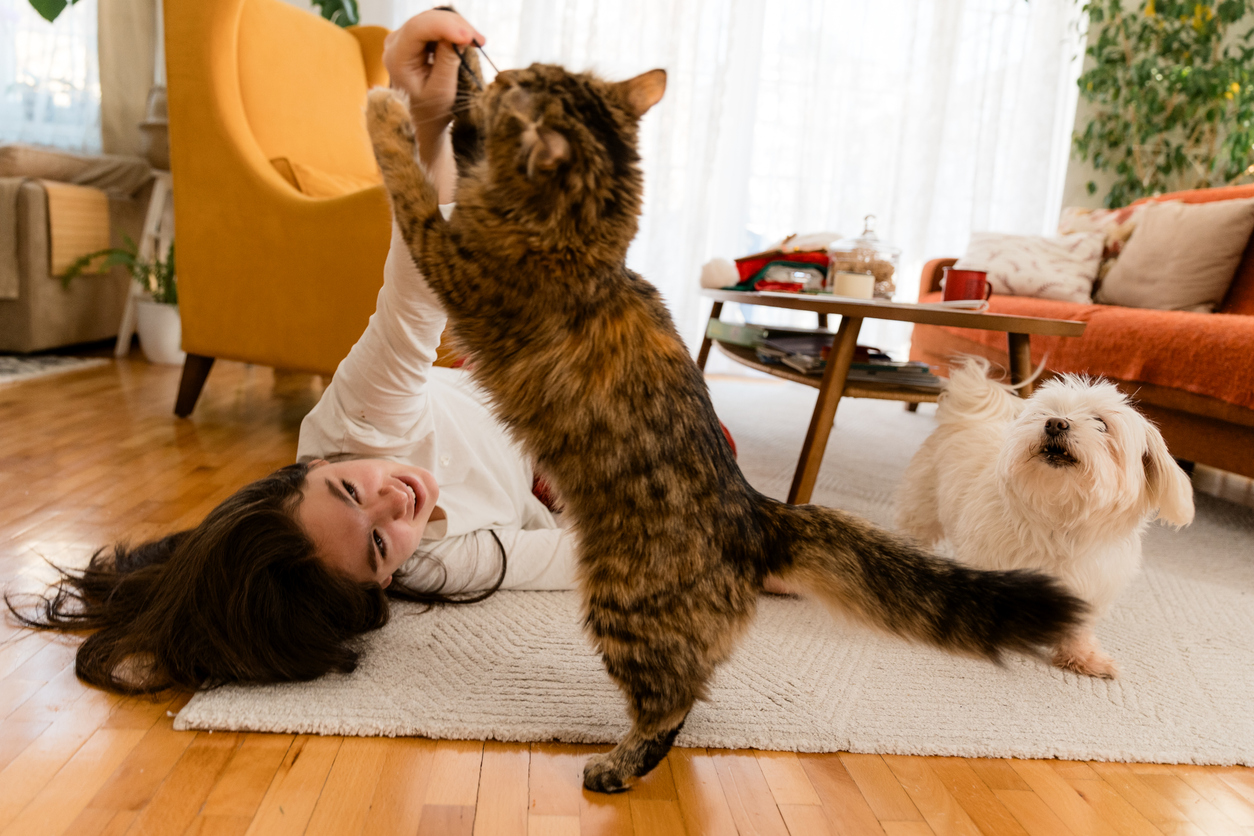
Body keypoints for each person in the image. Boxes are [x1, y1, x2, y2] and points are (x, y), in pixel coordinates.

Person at [6, 10, 582, 695]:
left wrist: (427, 116)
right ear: (383, 583)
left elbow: (418, 289)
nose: (396, 504)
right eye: (377, 545)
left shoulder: (361, 422)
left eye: (349, 491)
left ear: (314, 463)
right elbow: (582, 557)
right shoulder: (441, 565)